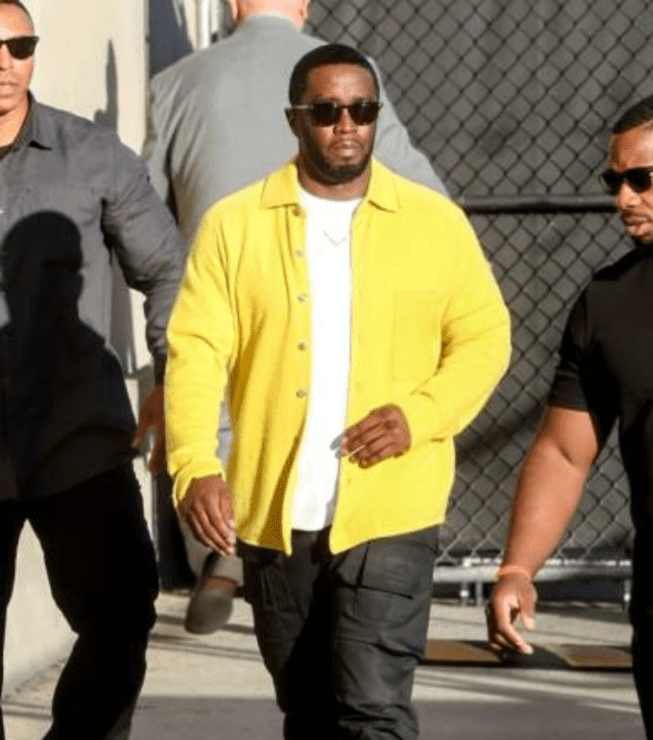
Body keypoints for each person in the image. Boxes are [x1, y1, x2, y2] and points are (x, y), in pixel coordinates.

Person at [165, 43, 509, 740]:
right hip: (278, 513)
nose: (346, 127)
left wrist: (423, 411)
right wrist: (197, 461)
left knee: (373, 709)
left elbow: (483, 334)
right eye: (326, 112)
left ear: (375, 114)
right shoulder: (239, 226)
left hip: (390, 512)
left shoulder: (430, 225)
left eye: (360, 109)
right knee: (308, 715)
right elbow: (194, 350)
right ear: (295, 121)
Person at [144, 0, 448, 635]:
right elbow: (426, 195)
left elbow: (150, 226)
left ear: (231, 6)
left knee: (225, 413)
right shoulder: (347, 79)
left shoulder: (172, 86)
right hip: (318, 278)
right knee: (309, 417)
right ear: (304, 6)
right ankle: (313, 563)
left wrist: (165, 365)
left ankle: (224, 554)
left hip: (215, 286)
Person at [0, 0, 185, 740]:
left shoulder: (91, 156)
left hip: (75, 433)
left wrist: (173, 380)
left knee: (120, 614)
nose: (5, 62)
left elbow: (168, 273)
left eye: (20, 45)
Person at [487, 91, 653, 740]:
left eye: (641, 178)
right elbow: (565, 449)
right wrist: (516, 567)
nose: (622, 199)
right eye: (614, 181)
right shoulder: (609, 304)